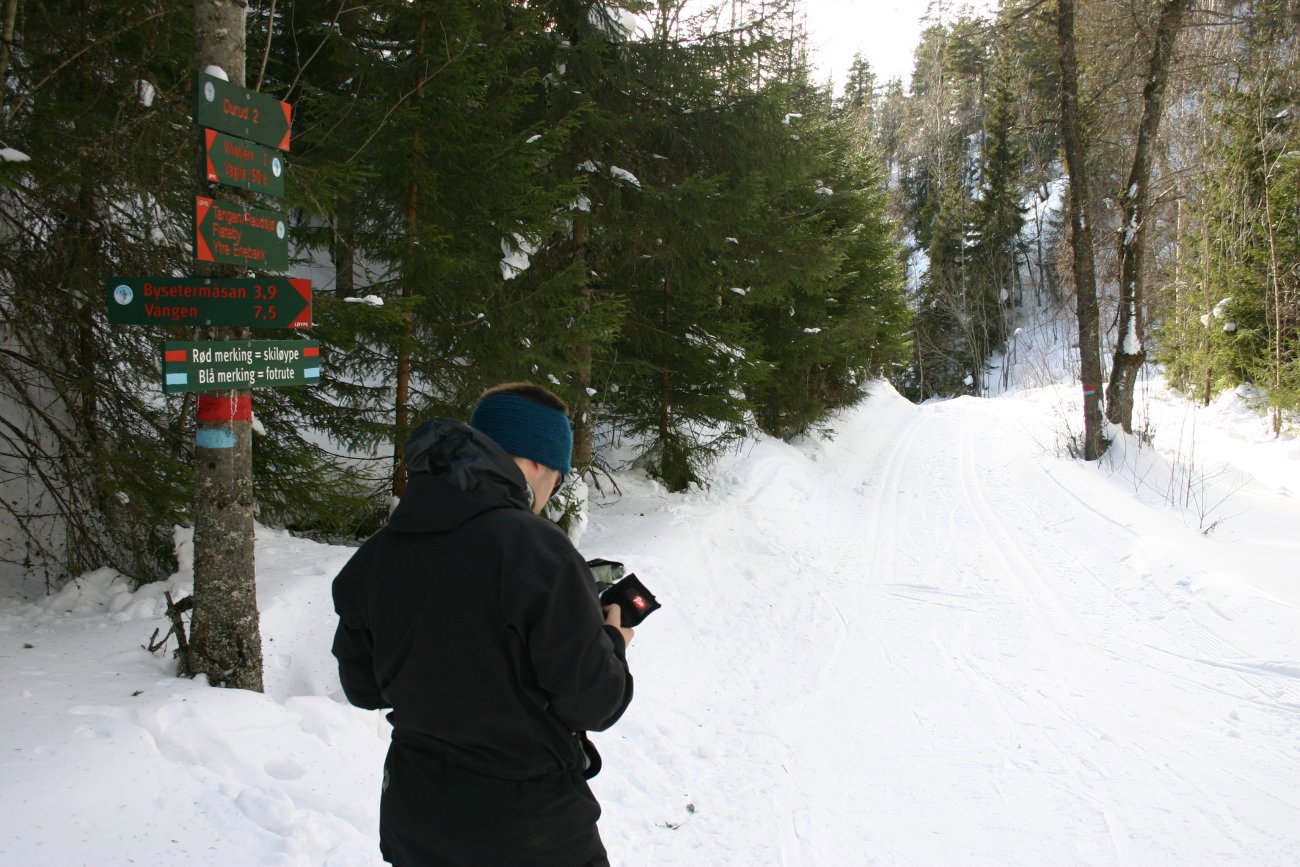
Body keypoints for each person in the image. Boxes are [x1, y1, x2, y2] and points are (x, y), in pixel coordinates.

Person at [331, 382, 634, 866]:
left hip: (417, 816)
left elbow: (364, 686)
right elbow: (593, 701)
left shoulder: (381, 552)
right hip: (528, 827)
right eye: (557, 475)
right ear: (538, 462)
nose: (552, 491)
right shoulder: (538, 550)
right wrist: (613, 642)